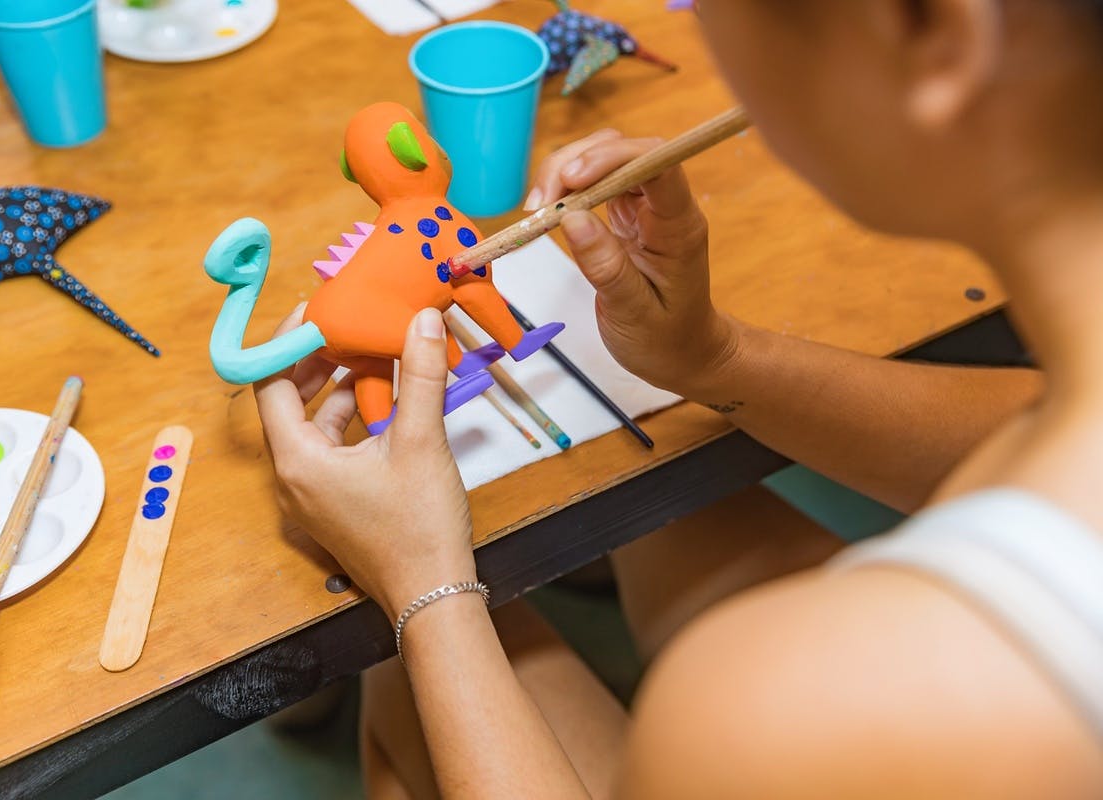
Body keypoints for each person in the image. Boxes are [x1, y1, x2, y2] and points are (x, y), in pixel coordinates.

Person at [253, 0, 1103, 796]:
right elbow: (1011, 426)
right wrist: (713, 355)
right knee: (673, 509)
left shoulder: (762, 713)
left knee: (407, 681)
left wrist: (419, 581)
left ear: (937, 31)